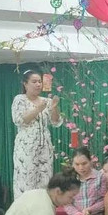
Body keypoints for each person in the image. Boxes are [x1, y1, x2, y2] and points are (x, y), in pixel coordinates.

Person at [12, 70, 63, 200]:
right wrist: (38, 109)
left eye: (39, 81)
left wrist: (55, 107)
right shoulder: (19, 99)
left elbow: (56, 122)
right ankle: (25, 214)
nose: (38, 84)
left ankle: (43, 211)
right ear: (25, 84)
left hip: (44, 146)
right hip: (26, 147)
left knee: (45, 180)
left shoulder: (47, 101)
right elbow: (19, 120)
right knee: (26, 180)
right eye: (34, 82)